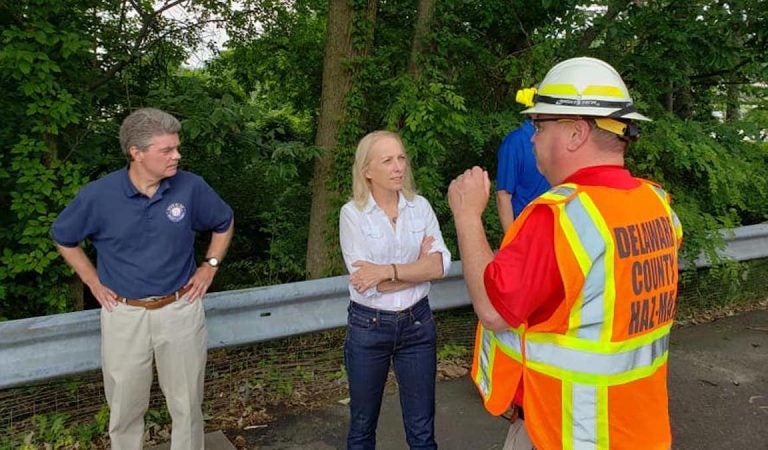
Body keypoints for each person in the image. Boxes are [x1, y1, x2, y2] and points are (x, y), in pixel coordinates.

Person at [448, 57, 683, 450]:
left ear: (575, 134)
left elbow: (492, 309)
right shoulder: (657, 204)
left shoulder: (559, 217)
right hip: (637, 428)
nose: (532, 138)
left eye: (540, 126)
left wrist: (468, 216)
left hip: (564, 431)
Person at [51, 107, 234, 450]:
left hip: (180, 308)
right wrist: (92, 281)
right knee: (124, 407)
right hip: (124, 313)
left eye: (177, 148)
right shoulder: (98, 196)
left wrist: (209, 264)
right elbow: (64, 236)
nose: (176, 156)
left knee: (187, 404)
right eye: (167, 150)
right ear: (136, 153)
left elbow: (224, 222)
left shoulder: (190, 188)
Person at [339, 130, 451, 450]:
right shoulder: (352, 214)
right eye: (387, 160)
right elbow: (366, 283)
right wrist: (419, 269)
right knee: (362, 425)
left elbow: (440, 266)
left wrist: (388, 271)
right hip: (369, 327)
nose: (398, 166)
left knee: (422, 429)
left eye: (401, 158)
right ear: (367, 171)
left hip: (417, 325)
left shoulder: (421, 207)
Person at [495, 118, 550, 231]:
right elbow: (503, 195)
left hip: (558, 226)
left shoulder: (559, 139)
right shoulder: (514, 142)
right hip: (526, 229)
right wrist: (511, 241)